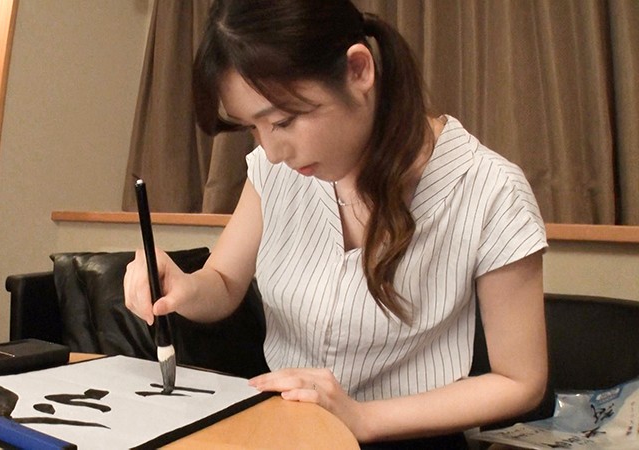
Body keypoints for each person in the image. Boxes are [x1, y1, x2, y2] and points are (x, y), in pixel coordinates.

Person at [124, 0, 548, 448]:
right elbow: (225, 283)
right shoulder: (276, 170)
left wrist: (363, 419)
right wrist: (184, 288)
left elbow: (519, 381)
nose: (272, 152)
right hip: (287, 432)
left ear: (358, 71)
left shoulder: (489, 189)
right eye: (252, 127)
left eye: (284, 120)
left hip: (410, 441)